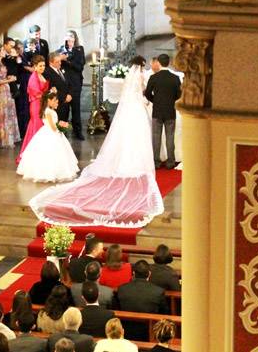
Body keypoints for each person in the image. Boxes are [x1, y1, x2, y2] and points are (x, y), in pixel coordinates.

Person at [28, 56, 164, 228]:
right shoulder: (142, 77)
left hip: (129, 108)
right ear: (142, 66)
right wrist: (144, 100)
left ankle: (124, 158)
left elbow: (127, 93)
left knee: (126, 135)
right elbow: (143, 92)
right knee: (138, 135)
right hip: (137, 108)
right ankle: (136, 160)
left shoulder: (130, 76)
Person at [16, 92, 79, 183]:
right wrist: (61, 128)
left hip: (51, 132)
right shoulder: (48, 112)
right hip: (50, 133)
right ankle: (48, 172)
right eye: (54, 100)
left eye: (57, 100)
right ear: (48, 101)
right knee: (49, 153)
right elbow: (53, 127)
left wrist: (60, 126)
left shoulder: (50, 111)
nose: (57, 102)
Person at [143, 54, 182, 169]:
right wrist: (171, 100)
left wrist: (155, 100)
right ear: (169, 63)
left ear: (158, 62)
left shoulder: (154, 77)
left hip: (157, 111)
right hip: (170, 110)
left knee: (156, 137)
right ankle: (170, 162)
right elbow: (179, 94)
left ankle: (156, 162)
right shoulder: (175, 78)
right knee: (170, 136)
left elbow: (147, 93)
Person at [117, 260, 169, 341]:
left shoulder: (122, 289)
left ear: (133, 274)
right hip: (149, 333)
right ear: (149, 274)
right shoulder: (158, 292)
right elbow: (164, 313)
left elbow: (117, 309)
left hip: (125, 332)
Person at [16, 56, 49, 162]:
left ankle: (40, 153)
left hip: (43, 105)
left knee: (40, 128)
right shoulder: (33, 77)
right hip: (36, 105)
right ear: (34, 66)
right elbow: (36, 93)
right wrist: (49, 94)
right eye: (40, 66)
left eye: (43, 65)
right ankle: (32, 155)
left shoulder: (41, 75)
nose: (42, 68)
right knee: (37, 128)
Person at [0, 45, 20, 148]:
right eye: (2, 50)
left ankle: (8, 137)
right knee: (1, 113)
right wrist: (9, 80)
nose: (4, 52)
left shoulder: (2, 62)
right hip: (0, 90)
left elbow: (3, 77)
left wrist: (8, 77)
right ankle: (0, 138)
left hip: (6, 88)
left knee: (8, 113)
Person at [58, 29, 86, 140]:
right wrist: (61, 59)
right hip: (64, 83)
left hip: (75, 82)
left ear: (75, 39)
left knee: (76, 107)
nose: (69, 39)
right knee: (63, 109)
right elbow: (56, 65)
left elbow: (80, 66)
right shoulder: (60, 50)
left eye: (71, 37)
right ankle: (62, 130)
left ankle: (77, 131)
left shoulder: (79, 50)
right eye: (67, 37)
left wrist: (67, 60)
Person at [44, 51, 71, 127]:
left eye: (60, 61)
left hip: (66, 102)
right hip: (57, 103)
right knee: (57, 126)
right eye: (57, 62)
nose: (60, 63)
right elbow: (51, 89)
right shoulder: (47, 72)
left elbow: (68, 83)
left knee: (64, 124)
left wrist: (69, 94)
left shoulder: (62, 69)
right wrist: (64, 97)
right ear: (50, 62)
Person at [13, 39, 32, 138]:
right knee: (22, 107)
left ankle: (26, 129)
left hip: (27, 83)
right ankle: (22, 130)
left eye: (22, 48)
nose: (21, 50)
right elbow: (21, 67)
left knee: (26, 107)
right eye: (19, 48)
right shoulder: (17, 57)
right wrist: (27, 67)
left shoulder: (24, 55)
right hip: (22, 83)